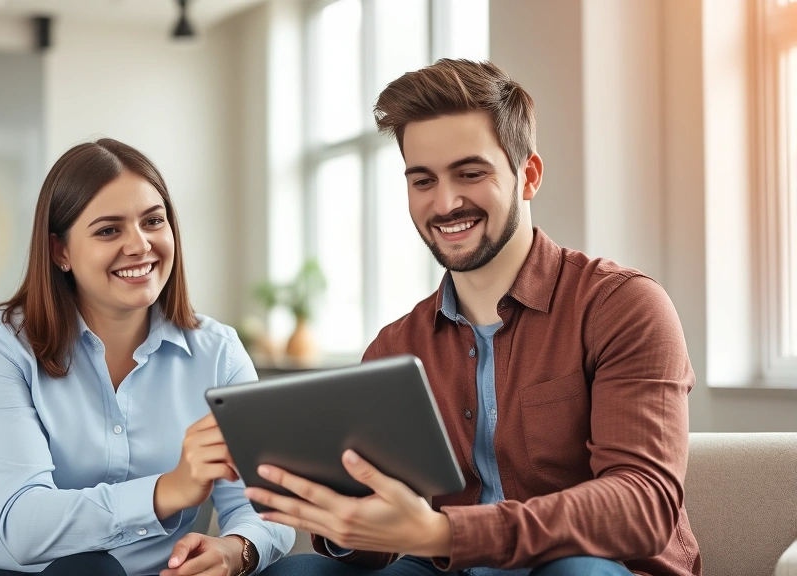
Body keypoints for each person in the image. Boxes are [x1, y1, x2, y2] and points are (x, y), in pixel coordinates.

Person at [252, 59, 701, 576]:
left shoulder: (622, 307)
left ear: (527, 175)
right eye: (423, 180)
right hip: (445, 568)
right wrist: (339, 512)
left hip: (590, 567)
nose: (445, 202)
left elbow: (642, 507)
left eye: (470, 173)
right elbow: (382, 542)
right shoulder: (394, 348)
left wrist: (446, 532)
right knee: (294, 572)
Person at [0, 138, 294, 576]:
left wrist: (236, 549)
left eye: (153, 221)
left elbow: (267, 502)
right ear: (60, 251)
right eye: (109, 230)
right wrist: (168, 490)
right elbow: (25, 527)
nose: (140, 245)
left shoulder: (218, 353)